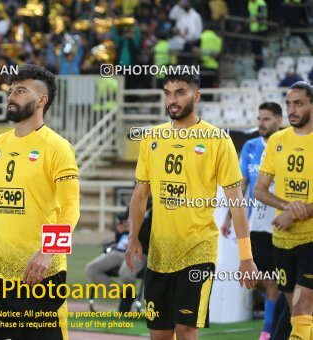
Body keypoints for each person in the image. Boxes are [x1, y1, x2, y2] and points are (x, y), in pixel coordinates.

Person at [126, 70, 258, 340]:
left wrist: (246, 256)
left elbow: (236, 202)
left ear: (196, 96)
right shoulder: (152, 138)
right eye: (168, 93)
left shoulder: (217, 140)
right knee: (159, 334)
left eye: (180, 92)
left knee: (186, 329)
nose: (172, 100)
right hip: (160, 253)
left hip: (198, 251)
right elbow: (140, 195)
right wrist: (133, 238)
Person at [0, 64, 80, 340]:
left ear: (41, 100)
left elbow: (71, 207)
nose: (11, 96)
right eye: (10, 90)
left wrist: (47, 252)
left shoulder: (57, 147)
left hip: (40, 275)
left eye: (20, 91)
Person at [254, 80, 313, 340]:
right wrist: (288, 207)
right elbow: (260, 190)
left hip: (311, 238)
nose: (292, 109)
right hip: (282, 239)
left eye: (298, 103)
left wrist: (300, 212)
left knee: (303, 308)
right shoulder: (277, 140)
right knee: (296, 313)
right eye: (288, 104)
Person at [221, 102, 283, 340]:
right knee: (254, 278)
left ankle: (267, 330)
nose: (261, 123)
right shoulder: (249, 147)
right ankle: (276, 323)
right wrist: (228, 216)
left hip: (277, 223)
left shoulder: (286, 144)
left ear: (278, 120)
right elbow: (241, 186)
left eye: (266, 119)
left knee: (274, 282)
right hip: (253, 223)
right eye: (259, 119)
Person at [85, 205, 149, 312]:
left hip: (138, 251)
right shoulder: (131, 207)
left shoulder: (153, 210)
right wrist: (120, 229)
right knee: (91, 269)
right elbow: (119, 234)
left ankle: (130, 301)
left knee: (126, 273)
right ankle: (126, 294)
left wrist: (134, 228)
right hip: (119, 250)